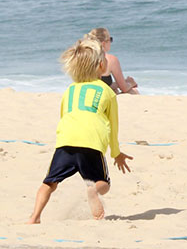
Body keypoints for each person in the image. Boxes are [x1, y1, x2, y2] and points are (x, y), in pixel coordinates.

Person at [28, 37, 133, 223]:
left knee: (49, 183)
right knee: (103, 184)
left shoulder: (69, 90)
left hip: (65, 142)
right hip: (91, 143)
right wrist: (116, 153)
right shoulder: (107, 91)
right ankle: (93, 191)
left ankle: (34, 217)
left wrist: (63, 139)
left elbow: (64, 117)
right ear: (101, 66)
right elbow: (112, 127)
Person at [88, 28, 139, 94]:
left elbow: (100, 84)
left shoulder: (84, 58)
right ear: (103, 43)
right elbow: (124, 89)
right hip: (100, 98)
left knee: (115, 90)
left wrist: (122, 83)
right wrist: (131, 83)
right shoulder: (110, 59)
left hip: (86, 94)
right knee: (134, 92)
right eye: (110, 39)